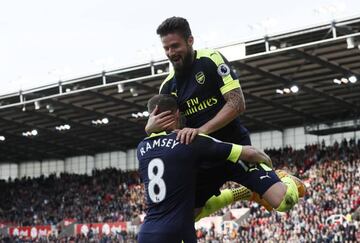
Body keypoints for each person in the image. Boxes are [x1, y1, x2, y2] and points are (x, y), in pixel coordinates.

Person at [145, 16, 305, 217]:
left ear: (190, 41)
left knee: (284, 202)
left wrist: (201, 130)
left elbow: (237, 103)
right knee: (183, 219)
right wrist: (150, 129)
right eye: (166, 48)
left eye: (175, 46)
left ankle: (284, 178)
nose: (171, 53)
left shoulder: (210, 61)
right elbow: (168, 134)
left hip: (238, 150)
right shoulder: (167, 87)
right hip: (204, 160)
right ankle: (239, 193)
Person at [137, 94, 282, 243]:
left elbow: (156, 142)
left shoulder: (141, 148)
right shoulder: (188, 140)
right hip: (177, 232)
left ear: (151, 117)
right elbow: (251, 153)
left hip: (146, 233)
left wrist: (149, 130)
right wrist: (270, 167)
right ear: (177, 114)